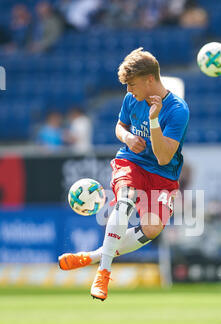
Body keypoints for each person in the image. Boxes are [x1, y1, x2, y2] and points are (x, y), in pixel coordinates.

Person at [59, 47, 190, 300]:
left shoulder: (177, 110)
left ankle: (94, 256)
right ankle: (103, 272)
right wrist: (128, 137)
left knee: (152, 229)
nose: (128, 90)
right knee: (125, 200)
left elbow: (164, 157)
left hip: (163, 175)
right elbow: (120, 127)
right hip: (131, 162)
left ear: (149, 79)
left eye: (131, 84)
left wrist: (153, 120)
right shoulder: (132, 98)